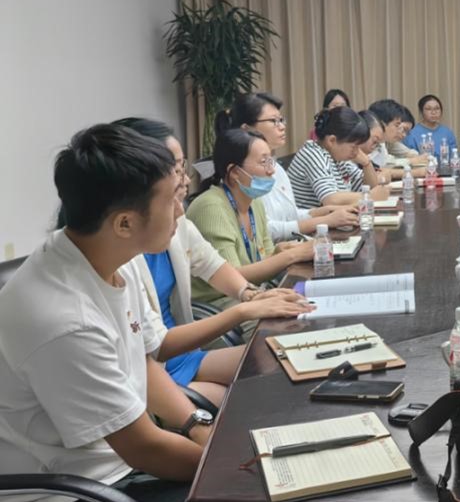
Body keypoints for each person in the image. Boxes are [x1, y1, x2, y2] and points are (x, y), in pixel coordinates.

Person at [0, 124, 206, 500]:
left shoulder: (114, 254)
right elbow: (144, 448)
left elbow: (142, 362)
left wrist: (196, 424)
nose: (180, 209)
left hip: (123, 464)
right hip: (78, 489)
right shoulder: (63, 319)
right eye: (169, 201)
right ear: (125, 223)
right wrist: (231, 465)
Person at [114, 118, 313, 405]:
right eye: (177, 170)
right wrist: (244, 310)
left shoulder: (177, 222)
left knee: (284, 361)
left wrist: (251, 295)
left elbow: (212, 264)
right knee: (250, 401)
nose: (186, 180)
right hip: (155, 368)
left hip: (183, 355)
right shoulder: (123, 254)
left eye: (183, 168)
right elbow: (156, 346)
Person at [187, 129, 315, 310]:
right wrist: (291, 256)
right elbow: (232, 275)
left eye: (271, 160)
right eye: (263, 162)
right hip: (221, 303)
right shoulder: (211, 207)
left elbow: (264, 260)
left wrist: (277, 252)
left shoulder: (254, 203)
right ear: (235, 172)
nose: (271, 170)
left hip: (255, 292)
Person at [219, 92, 357, 242]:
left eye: (281, 120)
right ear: (247, 128)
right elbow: (264, 229)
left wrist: (324, 212)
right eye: (273, 121)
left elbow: (290, 214)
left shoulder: (276, 167)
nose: (282, 126)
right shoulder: (243, 174)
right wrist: (325, 220)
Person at [287, 107, 385, 211]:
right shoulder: (312, 154)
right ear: (332, 141)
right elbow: (330, 199)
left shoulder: (338, 157)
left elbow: (370, 187)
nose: (357, 152)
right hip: (309, 220)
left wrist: (366, 163)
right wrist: (369, 196)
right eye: (354, 146)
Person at [368, 100, 428, 181]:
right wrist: (416, 172)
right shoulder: (366, 141)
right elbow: (381, 170)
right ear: (382, 124)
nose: (399, 131)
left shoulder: (381, 144)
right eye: (397, 125)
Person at [404, 94, 458, 160]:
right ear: (421, 112)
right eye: (428, 109)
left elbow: (454, 156)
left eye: (437, 108)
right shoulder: (412, 133)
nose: (433, 112)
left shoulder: (447, 132)